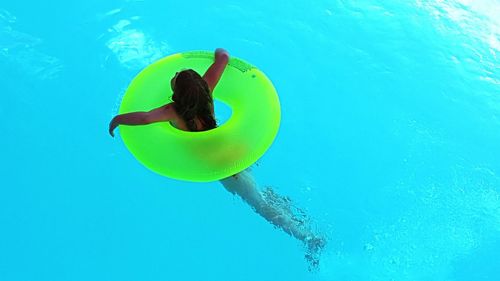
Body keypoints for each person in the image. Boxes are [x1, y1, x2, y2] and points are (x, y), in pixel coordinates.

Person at [109, 48, 326, 268]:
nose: (174, 75)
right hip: (236, 149)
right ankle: (296, 219)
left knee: (259, 204)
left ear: (177, 94)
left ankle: (307, 237)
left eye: (175, 77)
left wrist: (117, 119)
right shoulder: (207, 92)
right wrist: (220, 53)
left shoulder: (172, 110)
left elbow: (145, 118)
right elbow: (222, 58)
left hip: (222, 166)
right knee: (261, 191)